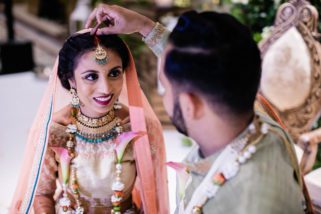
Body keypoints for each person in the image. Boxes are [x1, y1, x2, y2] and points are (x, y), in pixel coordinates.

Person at [85, 5, 312, 213]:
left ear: (189, 105)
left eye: (164, 88)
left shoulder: (250, 201)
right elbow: (207, 65)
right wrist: (144, 27)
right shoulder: (253, 118)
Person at [10, 30, 169, 213]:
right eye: (91, 76)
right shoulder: (54, 130)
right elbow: (41, 194)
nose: (105, 88)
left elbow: (153, 196)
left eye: (114, 73)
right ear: (71, 80)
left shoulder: (140, 127)